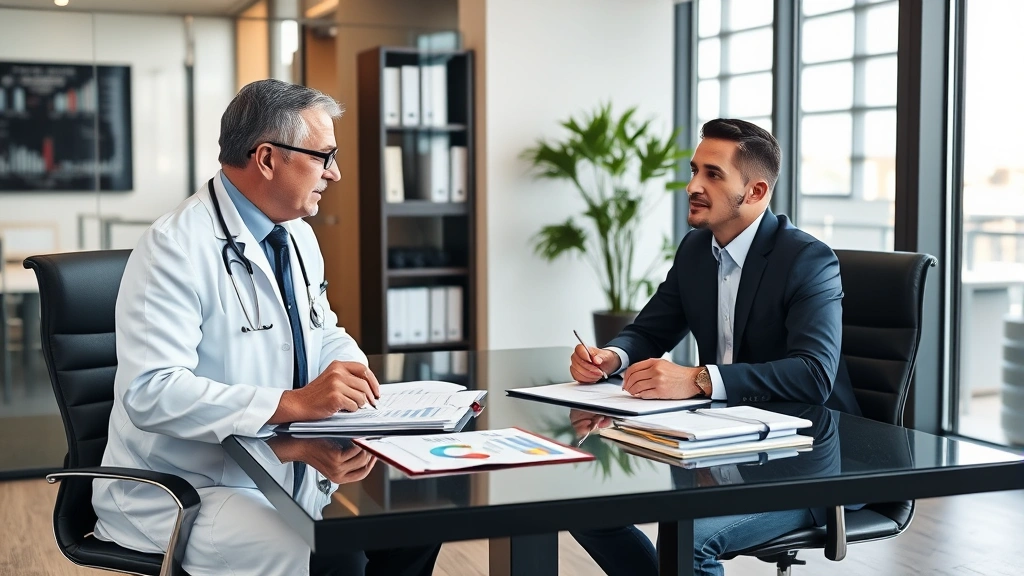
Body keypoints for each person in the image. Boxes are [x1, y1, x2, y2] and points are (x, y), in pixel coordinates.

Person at [91, 79, 440, 576]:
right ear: (268, 158)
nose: (335, 173)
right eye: (324, 156)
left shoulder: (296, 234)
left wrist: (351, 382)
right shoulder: (174, 246)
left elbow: (324, 331)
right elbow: (151, 393)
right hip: (186, 485)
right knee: (327, 555)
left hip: (276, 458)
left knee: (417, 515)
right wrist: (295, 406)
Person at [568, 118, 860, 576]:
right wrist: (612, 356)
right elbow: (649, 330)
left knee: (688, 541)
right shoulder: (695, 250)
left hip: (800, 461)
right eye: (694, 170)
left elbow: (813, 374)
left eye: (713, 174)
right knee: (585, 508)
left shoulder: (807, 259)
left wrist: (697, 379)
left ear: (757, 192)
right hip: (717, 442)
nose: (691, 186)